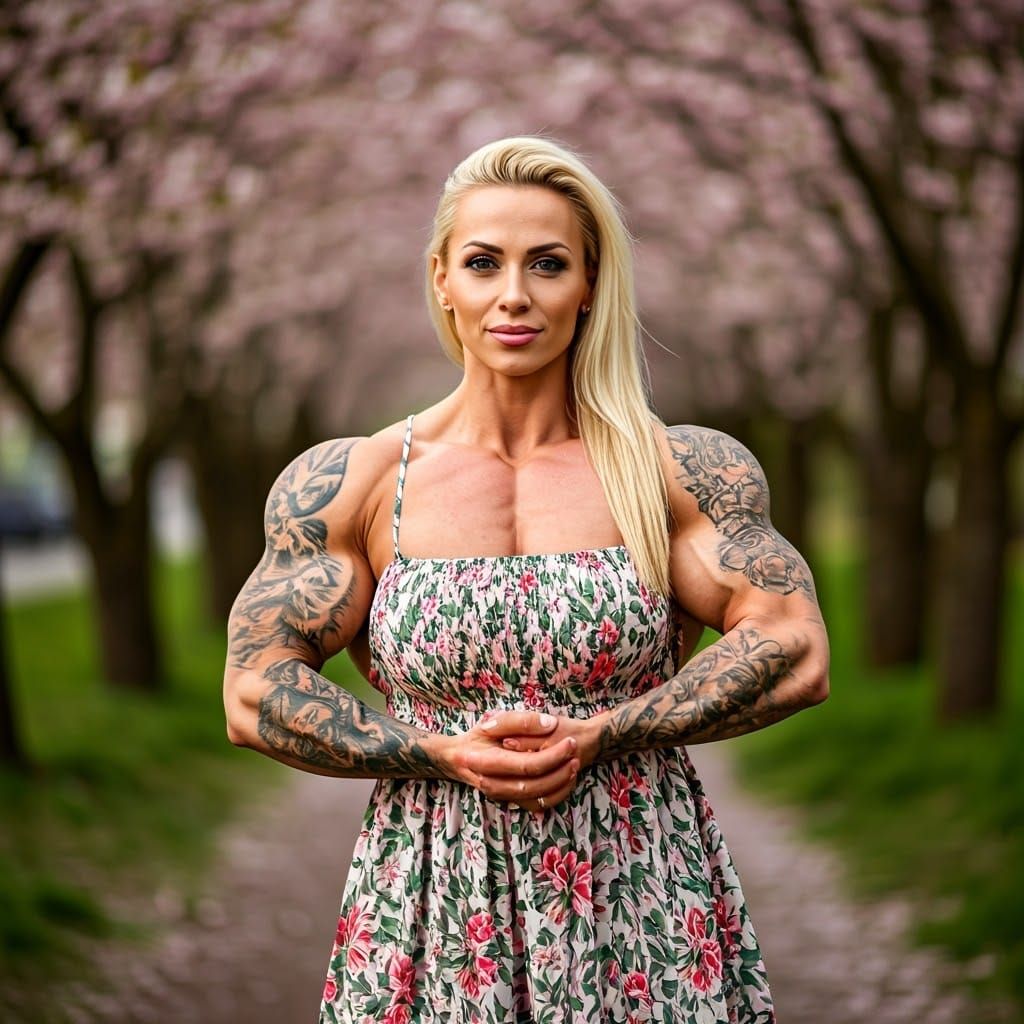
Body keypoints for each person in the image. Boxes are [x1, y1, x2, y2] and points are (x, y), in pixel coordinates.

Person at [223, 135, 829, 1024]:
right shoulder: (353, 482)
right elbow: (252, 691)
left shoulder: (677, 470)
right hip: (430, 893)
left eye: (548, 264)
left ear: (589, 285)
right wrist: (436, 753)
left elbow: (794, 647)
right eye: (483, 263)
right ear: (442, 279)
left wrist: (605, 734)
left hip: (643, 887)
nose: (514, 294)